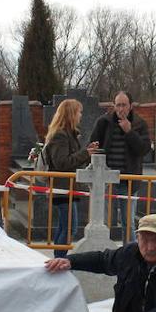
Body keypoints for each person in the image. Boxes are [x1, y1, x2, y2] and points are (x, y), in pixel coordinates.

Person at [88, 91, 151, 239]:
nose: (120, 109)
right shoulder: (104, 122)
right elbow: (92, 146)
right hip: (106, 181)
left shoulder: (139, 124)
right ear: (114, 106)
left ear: (130, 106)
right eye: (118, 105)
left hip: (128, 182)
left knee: (128, 224)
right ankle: (103, 255)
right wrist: (94, 147)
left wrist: (129, 132)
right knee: (102, 223)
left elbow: (143, 150)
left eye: (124, 105)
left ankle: (130, 258)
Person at [43, 99, 99, 258]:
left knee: (64, 227)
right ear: (70, 114)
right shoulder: (60, 135)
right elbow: (62, 162)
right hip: (62, 189)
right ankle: (60, 260)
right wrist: (85, 153)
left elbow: (71, 159)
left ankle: (59, 259)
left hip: (67, 188)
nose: (81, 115)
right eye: (79, 112)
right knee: (69, 228)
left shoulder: (69, 134)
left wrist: (87, 152)